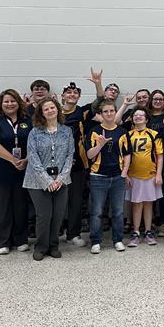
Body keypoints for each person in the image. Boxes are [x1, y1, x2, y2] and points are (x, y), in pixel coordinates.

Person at [23, 96, 74, 261]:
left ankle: (53, 246)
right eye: (46, 109)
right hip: (37, 182)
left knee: (58, 215)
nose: (50, 111)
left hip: (61, 180)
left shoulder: (67, 131)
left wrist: (60, 178)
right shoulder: (35, 133)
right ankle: (41, 246)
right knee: (44, 215)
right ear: (41, 113)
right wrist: (47, 181)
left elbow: (69, 156)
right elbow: (33, 158)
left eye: (52, 107)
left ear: (57, 110)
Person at [0, 89, 31, 255]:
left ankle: (21, 239)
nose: (10, 104)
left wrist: (26, 160)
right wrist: (13, 159)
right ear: (1, 104)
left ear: (19, 103)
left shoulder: (27, 120)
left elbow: (36, 141)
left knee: (20, 206)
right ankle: (2, 241)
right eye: (6, 101)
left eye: (13, 101)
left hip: (23, 170)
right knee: (0, 207)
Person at [85, 100, 128, 254]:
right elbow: (90, 155)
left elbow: (127, 154)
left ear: (115, 112)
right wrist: (100, 145)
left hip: (118, 177)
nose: (109, 114)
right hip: (98, 177)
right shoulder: (94, 131)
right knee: (96, 211)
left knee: (117, 211)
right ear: (100, 114)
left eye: (112, 111)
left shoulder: (122, 132)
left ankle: (118, 240)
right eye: (106, 112)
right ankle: (96, 241)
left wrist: (124, 173)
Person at [121, 108, 163, 247]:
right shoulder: (126, 136)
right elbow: (123, 157)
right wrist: (125, 174)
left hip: (150, 175)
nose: (138, 117)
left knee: (149, 203)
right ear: (132, 119)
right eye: (135, 115)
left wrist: (158, 174)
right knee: (136, 203)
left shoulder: (154, 134)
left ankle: (149, 231)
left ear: (146, 119)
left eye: (141, 115)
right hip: (134, 175)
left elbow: (159, 156)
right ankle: (136, 232)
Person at [60, 82, 93, 247]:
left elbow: (100, 102)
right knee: (55, 200)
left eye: (75, 93)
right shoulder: (53, 111)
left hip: (78, 164)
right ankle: (54, 232)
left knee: (76, 200)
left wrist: (98, 83)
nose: (72, 95)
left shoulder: (82, 112)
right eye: (69, 92)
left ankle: (73, 233)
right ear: (62, 96)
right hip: (56, 164)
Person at [147, 89, 164, 237]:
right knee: (148, 193)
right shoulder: (146, 117)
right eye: (155, 99)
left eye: (160, 99)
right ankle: (149, 223)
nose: (158, 101)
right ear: (151, 101)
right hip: (146, 160)